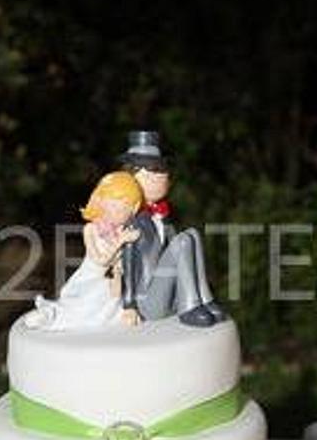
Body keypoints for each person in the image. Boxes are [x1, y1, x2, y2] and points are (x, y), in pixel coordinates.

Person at [118, 130, 226, 328]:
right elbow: (128, 263)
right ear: (133, 178)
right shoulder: (131, 220)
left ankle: (203, 298)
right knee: (182, 241)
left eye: (161, 168)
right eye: (154, 170)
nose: (163, 175)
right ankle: (189, 307)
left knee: (191, 234)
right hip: (148, 302)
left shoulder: (161, 216)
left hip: (168, 293)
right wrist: (129, 304)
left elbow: (175, 257)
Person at [25, 171, 142, 331]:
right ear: (100, 200)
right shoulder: (91, 229)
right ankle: (48, 317)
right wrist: (121, 241)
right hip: (92, 277)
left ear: (133, 210)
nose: (116, 210)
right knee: (78, 309)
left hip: (111, 282)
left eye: (125, 207)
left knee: (106, 315)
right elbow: (101, 260)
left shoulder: (124, 231)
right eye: (113, 204)